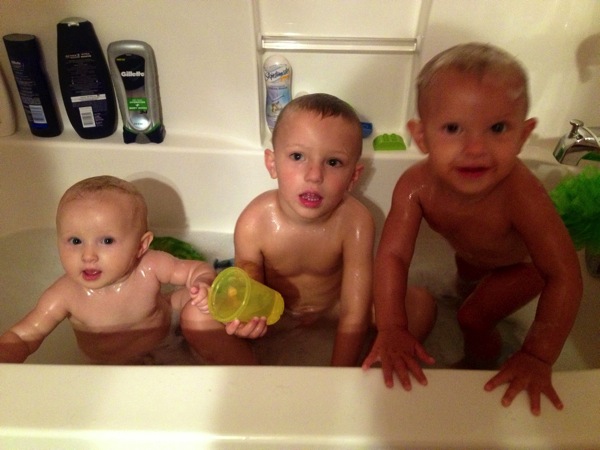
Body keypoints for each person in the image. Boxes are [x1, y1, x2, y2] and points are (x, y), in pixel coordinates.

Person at [362, 43, 583, 415]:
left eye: (497, 128)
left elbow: (564, 274)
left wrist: (537, 355)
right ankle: (473, 305)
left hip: (526, 267)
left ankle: (480, 363)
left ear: (523, 134)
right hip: (474, 257)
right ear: (421, 136)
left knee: (472, 317)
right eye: (453, 128)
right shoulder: (416, 186)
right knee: (464, 293)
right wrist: (392, 327)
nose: (475, 148)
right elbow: (394, 256)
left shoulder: (521, 195)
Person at [183, 93, 430, 366]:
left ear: (353, 177)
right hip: (276, 314)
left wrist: (339, 376)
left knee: (420, 305)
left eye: (333, 162)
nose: (314, 175)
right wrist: (247, 318)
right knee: (195, 317)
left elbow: (354, 311)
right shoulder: (255, 221)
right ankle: (254, 375)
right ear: (272, 164)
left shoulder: (356, 222)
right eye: (298, 156)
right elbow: (250, 282)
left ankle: (373, 369)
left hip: (333, 310)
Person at [0, 175, 215, 364]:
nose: (88, 255)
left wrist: (202, 284)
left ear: (141, 246)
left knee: (199, 300)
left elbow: (195, 270)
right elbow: (24, 336)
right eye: (75, 241)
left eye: (107, 241)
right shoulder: (65, 295)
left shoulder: (150, 266)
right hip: (109, 368)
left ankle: (225, 355)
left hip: (169, 340)